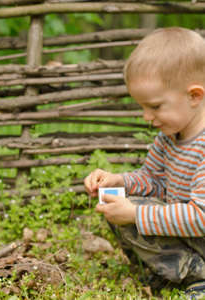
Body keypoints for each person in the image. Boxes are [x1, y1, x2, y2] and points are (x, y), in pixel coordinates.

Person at [84, 27, 205, 298]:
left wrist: (137, 214)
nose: (146, 117)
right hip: (188, 234)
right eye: (142, 107)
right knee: (116, 204)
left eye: (155, 106)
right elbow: (154, 181)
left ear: (194, 96)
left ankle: (197, 276)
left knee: (132, 210)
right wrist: (120, 182)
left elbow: (201, 217)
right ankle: (175, 273)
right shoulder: (169, 138)